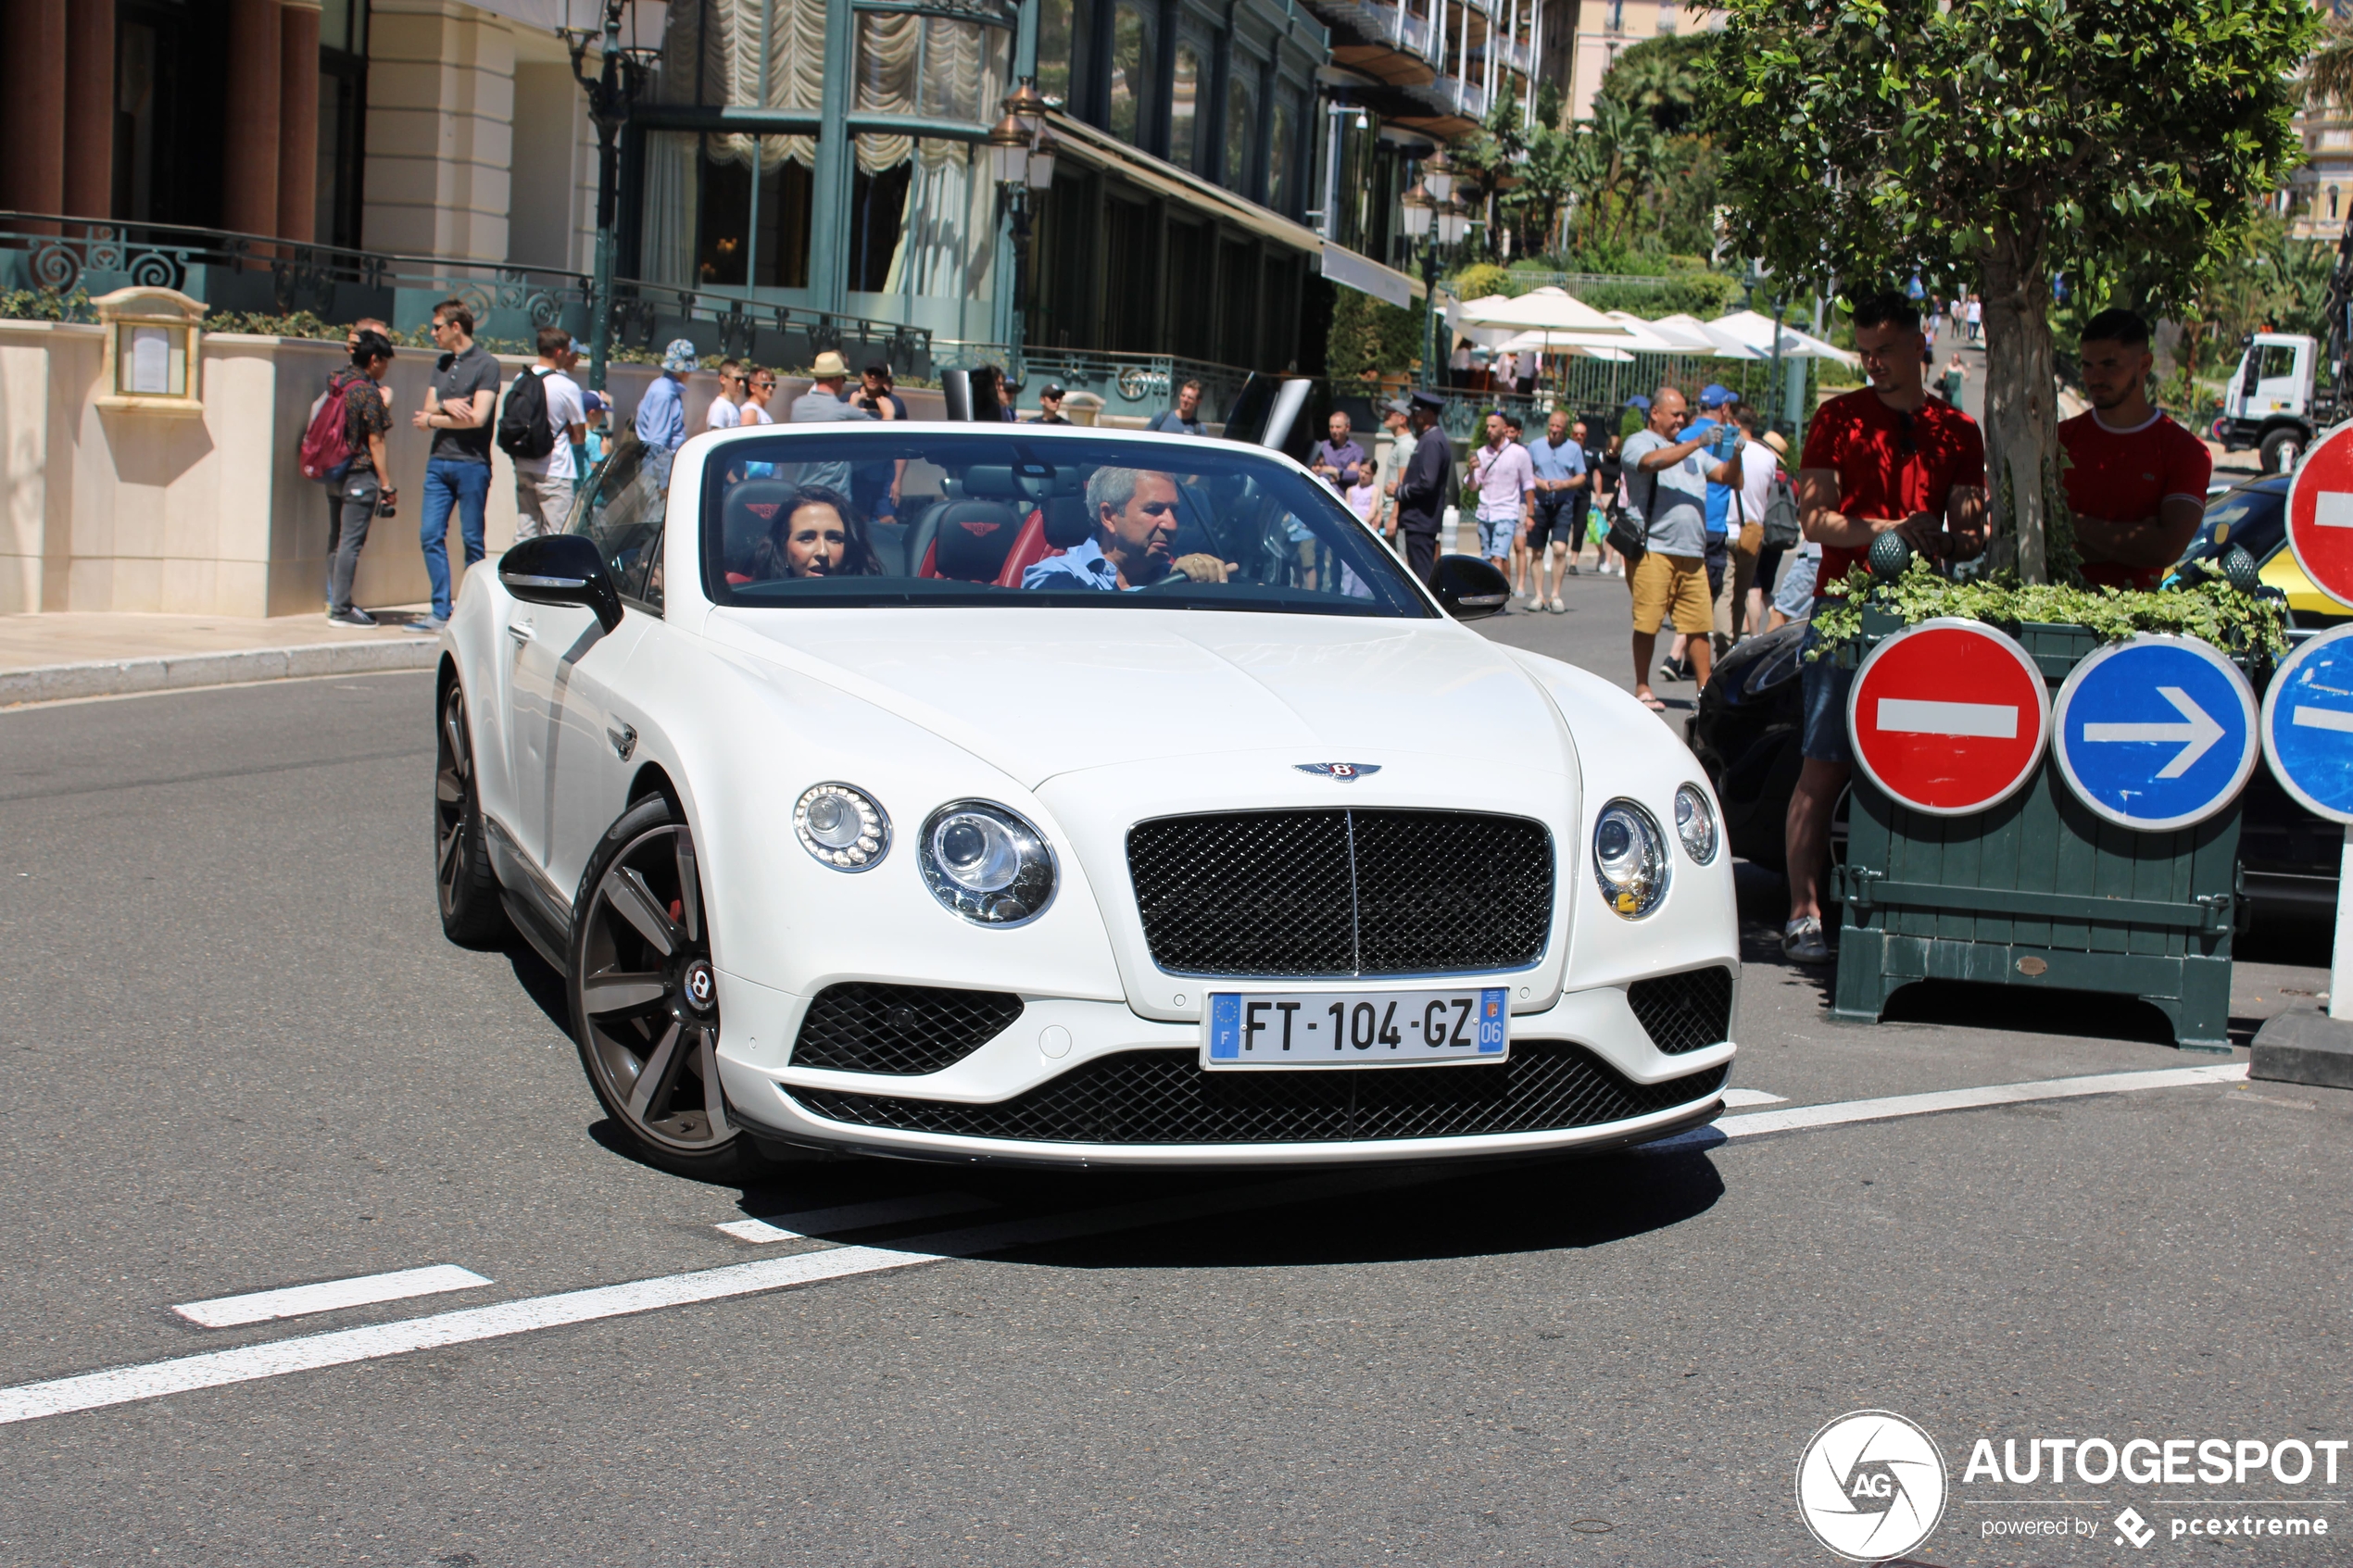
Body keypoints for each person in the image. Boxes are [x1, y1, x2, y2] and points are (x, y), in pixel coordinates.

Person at [1782, 291, 1987, 964]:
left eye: (1886, 351)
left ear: (1918, 345)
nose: (1874, 364)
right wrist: (1892, 529)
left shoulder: (1959, 431)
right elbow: (1815, 520)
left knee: (1923, 768)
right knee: (1823, 763)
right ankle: (1804, 910)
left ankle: (1911, 907)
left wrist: (1945, 539)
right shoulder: (1837, 417)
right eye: (1864, 353)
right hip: (1845, 607)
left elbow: (1972, 533)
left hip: (1924, 617)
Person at [2058, 307, 2210, 591]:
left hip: (2137, 627)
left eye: (2110, 364)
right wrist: (2133, 539)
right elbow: (2037, 540)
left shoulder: (2185, 451)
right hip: (2050, 617)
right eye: (2087, 365)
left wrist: (2071, 523)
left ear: (2144, 363)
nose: (2095, 377)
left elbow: (2166, 548)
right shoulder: (2059, 440)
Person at [1621, 388, 1740, 709]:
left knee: (1699, 625)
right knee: (1648, 622)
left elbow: (1730, 478)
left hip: (1692, 552)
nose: (1681, 420)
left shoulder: (1693, 453)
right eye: (1674, 414)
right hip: (1654, 549)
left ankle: (1704, 692)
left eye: (1683, 414)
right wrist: (1698, 443)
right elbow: (1648, 463)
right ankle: (1643, 686)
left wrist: (1737, 451)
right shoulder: (1640, 441)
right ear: (1655, 413)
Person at [409, 298, 500, 633]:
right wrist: (446, 407)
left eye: (437, 327)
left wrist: (434, 418)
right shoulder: (443, 362)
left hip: (472, 465)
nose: (432, 332)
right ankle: (439, 609)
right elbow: (425, 411)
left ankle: (473, 613)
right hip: (439, 462)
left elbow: (477, 417)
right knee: (430, 534)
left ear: (455, 327)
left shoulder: (487, 365)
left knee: (472, 539)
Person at [1023, 467, 1232, 589]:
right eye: (1154, 510)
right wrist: (1168, 593)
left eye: (1174, 511)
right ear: (1109, 516)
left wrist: (1212, 582)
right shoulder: (1056, 576)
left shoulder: (1183, 579)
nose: (1171, 524)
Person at [328, 331, 396, 627]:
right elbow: (376, 440)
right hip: (359, 475)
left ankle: (334, 600)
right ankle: (341, 609)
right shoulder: (367, 392)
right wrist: (386, 484)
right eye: (384, 363)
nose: (385, 369)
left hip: (333, 472)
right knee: (350, 544)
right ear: (373, 360)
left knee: (337, 540)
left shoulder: (337, 380)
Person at [510, 326, 587, 542]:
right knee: (558, 534)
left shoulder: (521, 378)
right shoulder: (566, 386)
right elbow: (580, 436)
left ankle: (521, 571)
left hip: (524, 464)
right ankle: (552, 576)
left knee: (526, 530)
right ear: (559, 353)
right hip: (555, 469)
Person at [748, 485, 881, 581]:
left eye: (834, 539)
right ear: (783, 547)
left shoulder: (871, 610)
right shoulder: (746, 605)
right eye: (807, 538)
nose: (822, 552)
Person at [1526, 408, 1588, 613]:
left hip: (1563, 504)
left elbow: (1581, 477)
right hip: (1540, 504)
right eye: (1551, 425)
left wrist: (1564, 484)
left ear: (1565, 429)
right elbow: (1526, 474)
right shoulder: (1535, 446)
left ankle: (1555, 595)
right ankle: (1538, 596)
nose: (1554, 430)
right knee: (1537, 551)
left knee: (1560, 549)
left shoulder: (1574, 449)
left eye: (1558, 427)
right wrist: (1540, 483)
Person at [1392, 392, 1454, 585]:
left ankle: (1429, 613)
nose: (1413, 417)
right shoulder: (1428, 439)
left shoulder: (1432, 441)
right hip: (1418, 520)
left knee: (1422, 576)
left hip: (1422, 519)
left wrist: (1399, 491)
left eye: (1417, 412)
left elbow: (1427, 482)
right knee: (1418, 572)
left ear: (1429, 413)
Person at [1468, 409, 1534, 584]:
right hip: (1485, 512)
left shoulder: (1519, 453)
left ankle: (1495, 599)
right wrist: (1471, 470)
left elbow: (1528, 485)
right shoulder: (1482, 453)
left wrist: (1530, 514)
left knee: (1499, 557)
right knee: (1487, 559)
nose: (1489, 429)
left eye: (1493, 426)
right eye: (1487, 426)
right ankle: (1496, 594)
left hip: (1506, 512)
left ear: (1504, 428)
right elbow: (1473, 486)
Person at [635, 338, 696, 474]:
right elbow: (657, 440)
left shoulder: (663, 387)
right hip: (663, 469)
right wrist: (658, 478)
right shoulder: (664, 393)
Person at [1371, 396, 1413, 548]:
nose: (1385, 416)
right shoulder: (1398, 444)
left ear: (1402, 419)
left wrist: (1394, 517)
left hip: (1397, 516)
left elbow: (1402, 484)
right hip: (1388, 512)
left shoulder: (1405, 446)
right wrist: (1381, 512)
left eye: (1390, 413)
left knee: (1400, 562)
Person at [1309, 411, 1365, 492]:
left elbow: (1356, 475)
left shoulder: (1356, 451)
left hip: (1344, 499)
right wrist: (1334, 475)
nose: (1334, 430)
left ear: (1347, 427)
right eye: (1331, 427)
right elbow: (1313, 470)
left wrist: (1333, 470)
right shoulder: (1322, 447)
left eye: (1338, 427)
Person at [706, 359, 745, 431]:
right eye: (737, 379)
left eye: (743, 380)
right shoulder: (719, 407)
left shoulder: (734, 407)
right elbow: (716, 437)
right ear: (722, 379)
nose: (742, 384)